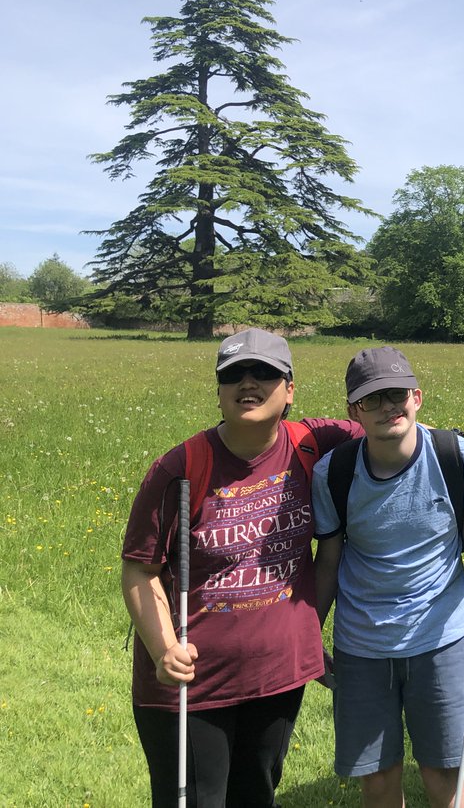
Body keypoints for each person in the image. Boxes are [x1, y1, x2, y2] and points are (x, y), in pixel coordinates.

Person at [121, 328, 363, 807]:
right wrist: (164, 648)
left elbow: (390, 432)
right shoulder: (181, 467)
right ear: (219, 391)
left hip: (278, 672)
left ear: (290, 388)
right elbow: (140, 569)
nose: (247, 383)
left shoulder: (315, 444)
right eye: (233, 374)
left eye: (264, 373)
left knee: (256, 795)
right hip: (192, 679)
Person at [312, 346, 464, 808]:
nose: (389, 405)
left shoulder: (456, 456)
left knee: (445, 777)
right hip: (363, 647)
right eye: (373, 398)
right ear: (354, 411)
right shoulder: (335, 473)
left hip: (443, 642)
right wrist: (308, 636)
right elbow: (327, 560)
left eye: (398, 393)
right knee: (379, 783)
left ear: (417, 397)